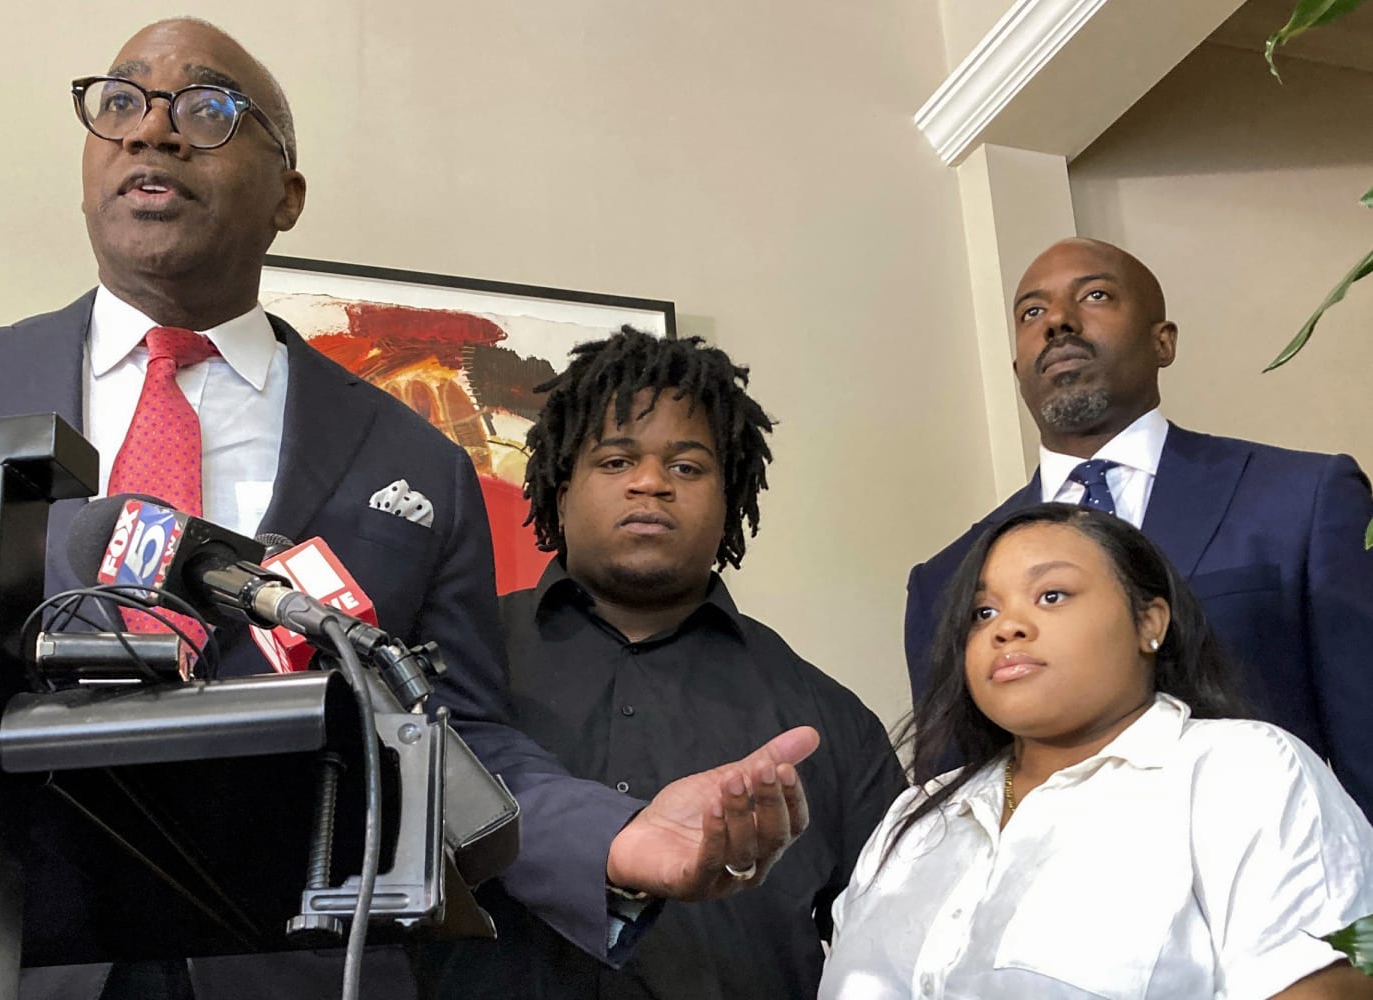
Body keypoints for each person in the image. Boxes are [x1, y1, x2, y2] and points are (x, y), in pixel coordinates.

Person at [0, 19, 818, 999]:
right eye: (120, 102)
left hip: (303, 967)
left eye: (207, 109)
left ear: (288, 193)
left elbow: (453, 733)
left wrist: (610, 835)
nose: (151, 131)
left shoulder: (416, 463)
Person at [423, 329, 905, 999]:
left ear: (731, 498)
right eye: (617, 461)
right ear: (561, 491)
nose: (650, 483)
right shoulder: (450, 669)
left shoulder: (829, 721)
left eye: (686, 467)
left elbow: (897, 948)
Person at [902, 238, 1373, 815]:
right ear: (1017, 366)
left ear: (1163, 341)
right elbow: (959, 802)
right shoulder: (946, 580)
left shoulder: (1305, 498)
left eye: (1094, 295)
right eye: (1032, 313)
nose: (1058, 323)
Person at [825, 503, 1373, 998]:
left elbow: (1339, 984)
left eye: (1052, 596)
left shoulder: (1249, 769)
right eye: (982, 613)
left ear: (1149, 622)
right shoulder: (916, 816)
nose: (1007, 627)